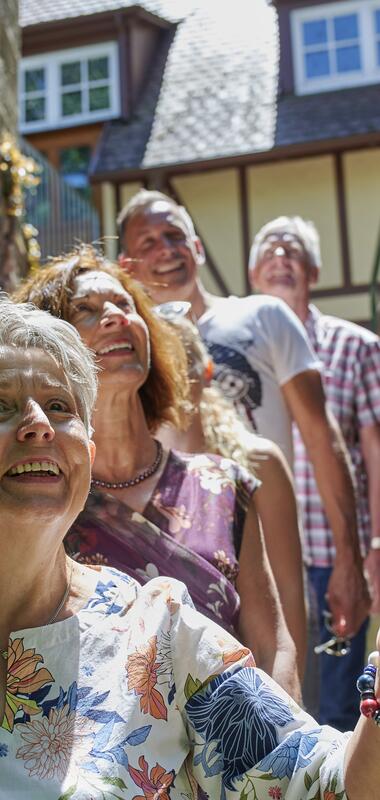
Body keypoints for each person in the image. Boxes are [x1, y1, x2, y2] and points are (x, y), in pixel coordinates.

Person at [2, 302, 380, 800]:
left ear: (86, 458)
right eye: (1, 405)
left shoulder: (158, 633)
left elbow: (330, 784)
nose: (38, 425)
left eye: (59, 406)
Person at [13, 248, 299, 698]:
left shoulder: (223, 486)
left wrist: (283, 756)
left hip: (238, 755)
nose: (114, 317)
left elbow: (273, 645)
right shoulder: (39, 498)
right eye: (85, 310)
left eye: (125, 305)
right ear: (51, 356)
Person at [117, 189, 370, 650]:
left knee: (292, 708)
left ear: (196, 247)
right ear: (127, 265)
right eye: (148, 241)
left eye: (175, 235)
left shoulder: (264, 316)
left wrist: (348, 559)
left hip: (273, 566)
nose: (166, 249)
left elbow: (322, 438)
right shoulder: (126, 350)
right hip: (168, 582)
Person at [249, 215, 380, 730]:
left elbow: (374, 450)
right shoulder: (239, 352)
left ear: (314, 272)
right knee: (273, 708)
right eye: (270, 250)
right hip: (258, 557)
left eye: (294, 251)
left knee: (340, 710)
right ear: (254, 275)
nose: (282, 256)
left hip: (331, 555)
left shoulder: (356, 346)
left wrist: (374, 549)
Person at [158, 313, 307, 678]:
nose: (174, 374)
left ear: (207, 370)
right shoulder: (125, 479)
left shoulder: (260, 461)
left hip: (250, 683)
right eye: (161, 362)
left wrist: (293, 705)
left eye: (184, 360)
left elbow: (287, 594)